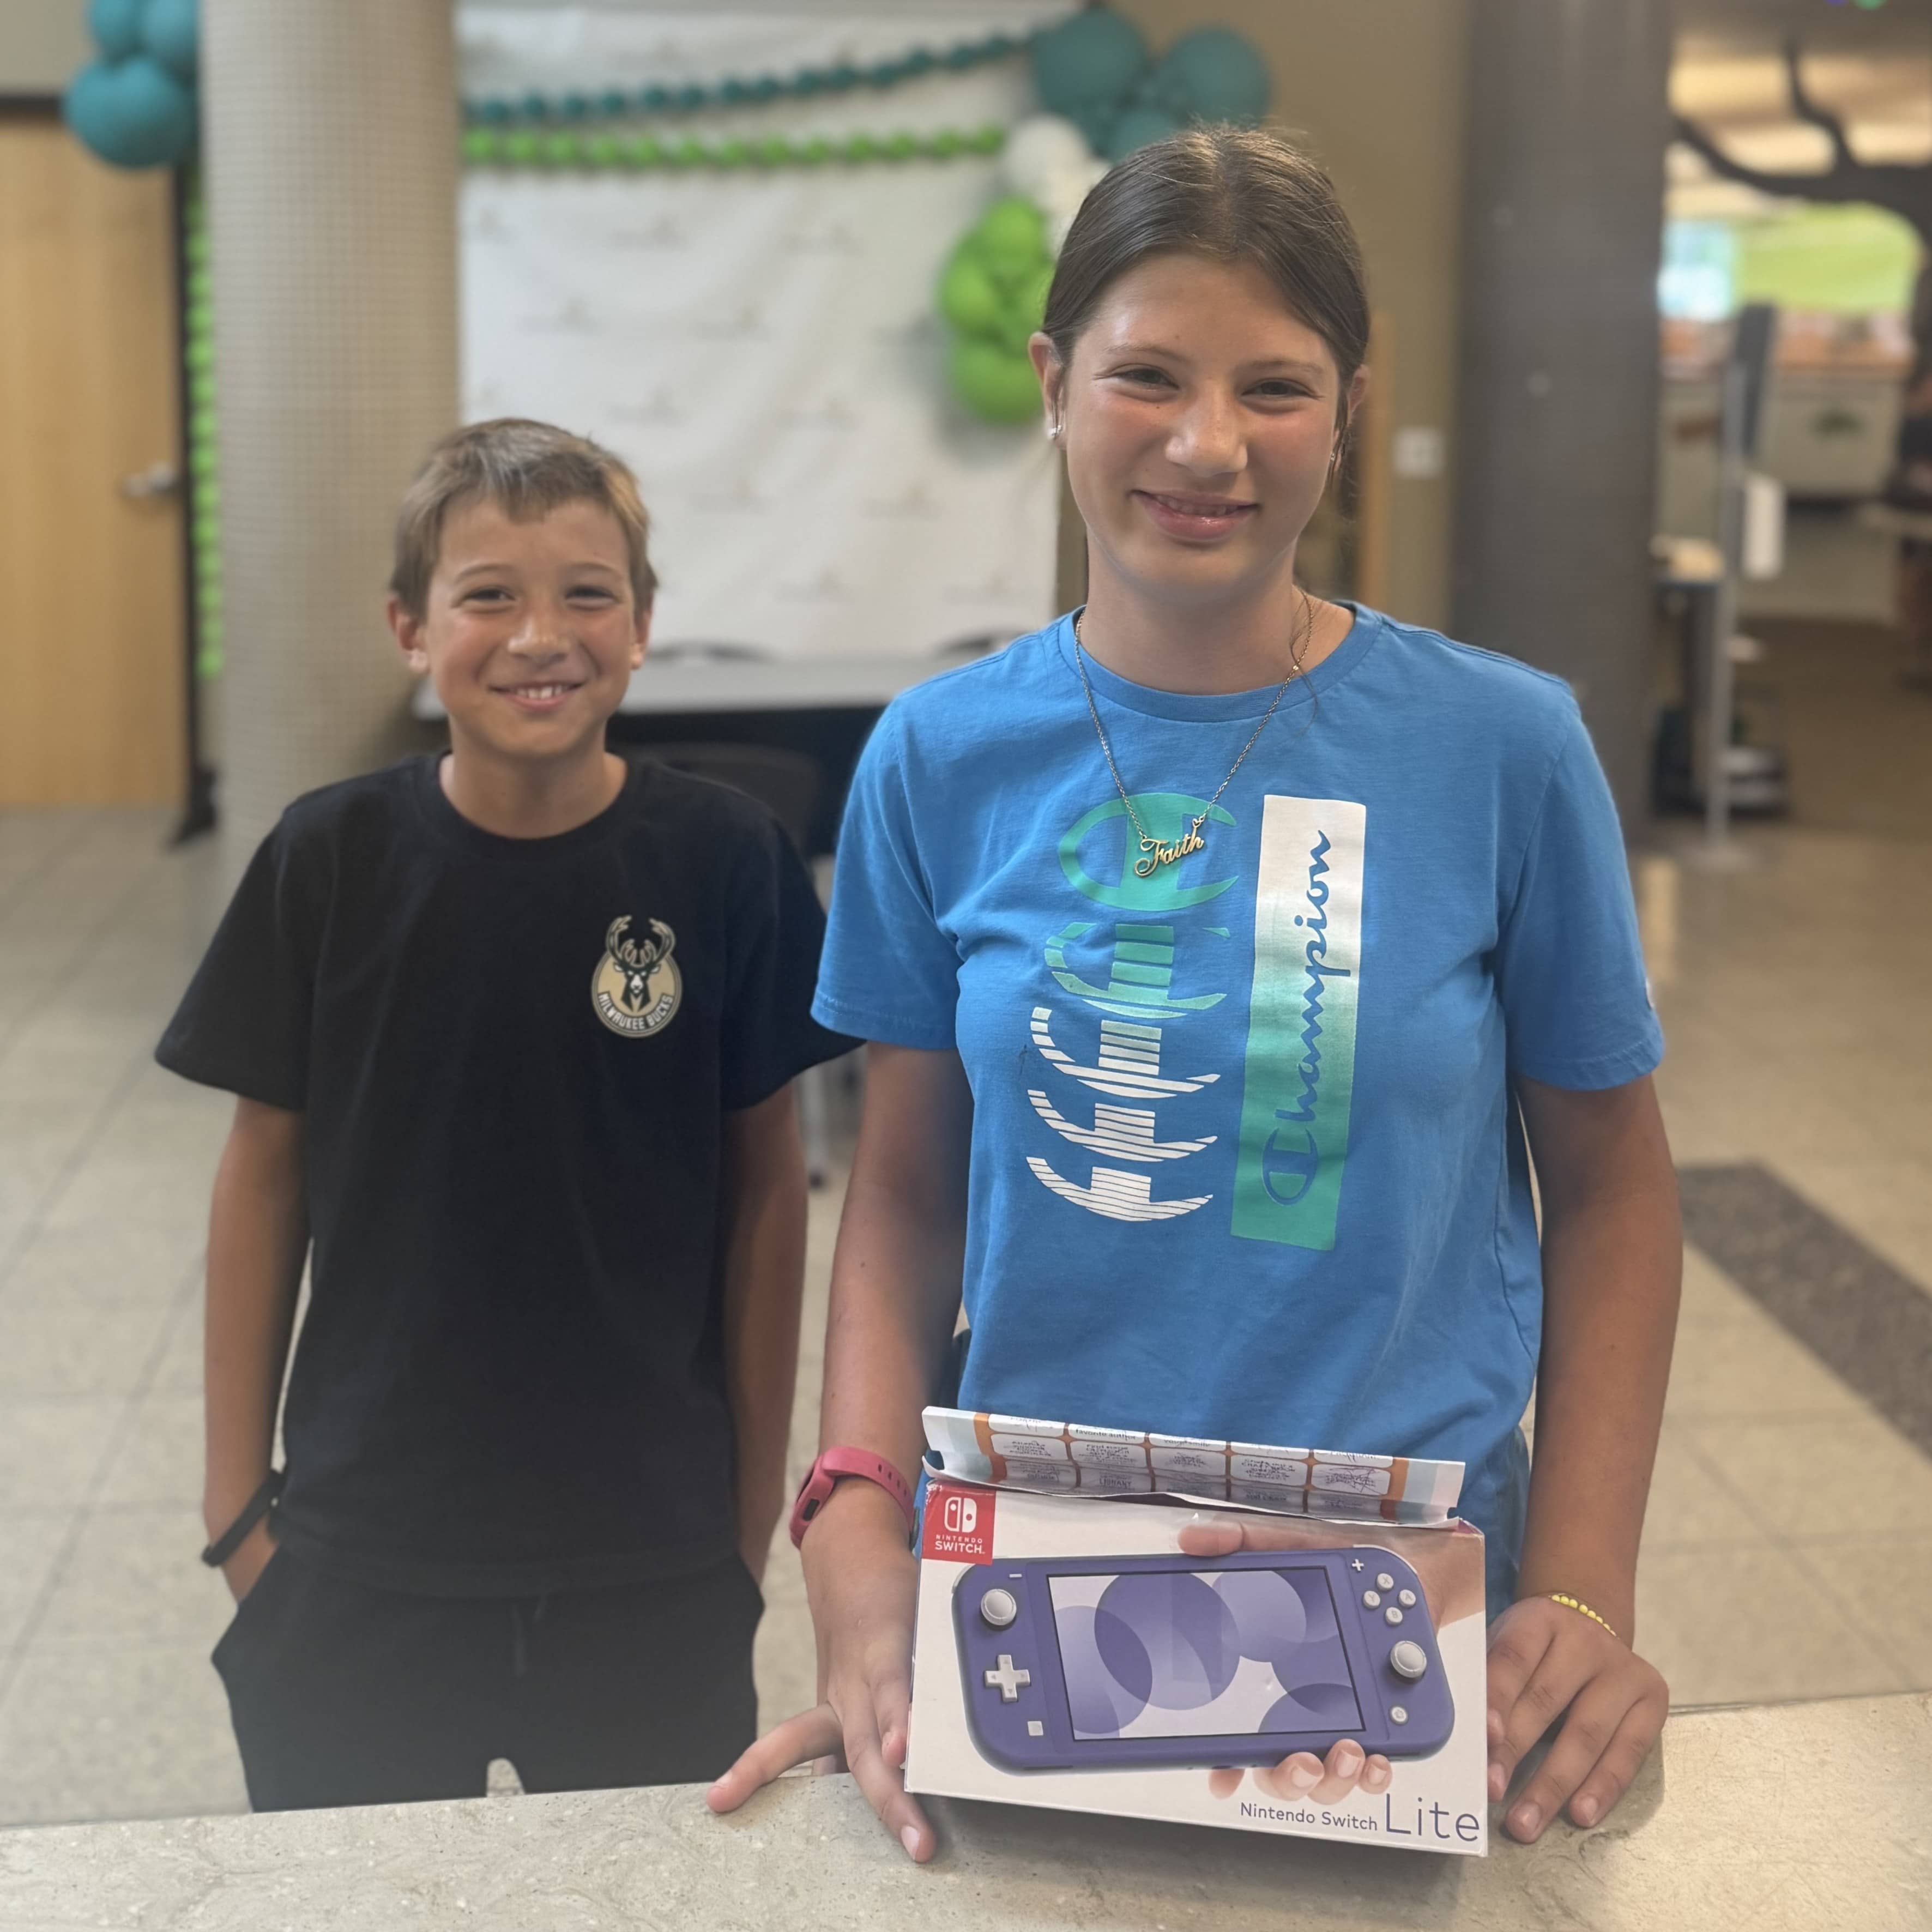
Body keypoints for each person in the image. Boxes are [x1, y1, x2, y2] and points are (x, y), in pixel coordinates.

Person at [709, 130, 1679, 1853]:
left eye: (1276, 388)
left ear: (1351, 406)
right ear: (1053, 381)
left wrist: (1589, 1596)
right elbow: (910, 1189)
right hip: (1034, 1575)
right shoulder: (937, 760)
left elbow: (1613, 1192)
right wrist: (854, 1512)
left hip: (1409, 1587)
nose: (1207, 444)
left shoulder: (1502, 748)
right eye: (1146, 374)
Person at [158, 418, 850, 1810]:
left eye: (587, 593)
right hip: (359, 1550)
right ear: (412, 628)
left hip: (649, 1554)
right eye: (489, 595)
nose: (541, 633)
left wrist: (740, 1523)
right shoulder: (327, 857)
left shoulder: (726, 863)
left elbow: (771, 1185)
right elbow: (262, 1174)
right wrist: (240, 1511)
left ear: (643, 625)